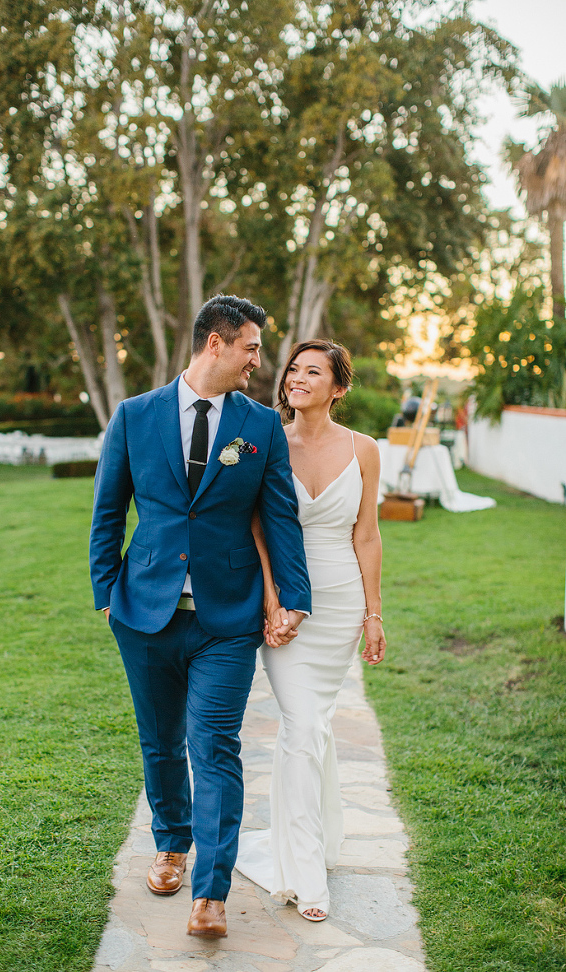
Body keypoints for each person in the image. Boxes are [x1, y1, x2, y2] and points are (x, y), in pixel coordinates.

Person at [89, 295, 313, 939]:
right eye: (250, 347)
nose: (258, 361)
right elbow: (109, 511)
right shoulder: (135, 417)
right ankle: (170, 844)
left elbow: (278, 518)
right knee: (160, 741)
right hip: (144, 612)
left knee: (214, 747)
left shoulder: (261, 426)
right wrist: (107, 593)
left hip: (226, 618)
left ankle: (211, 892)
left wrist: (291, 597)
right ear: (215, 343)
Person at [234, 340, 387, 922]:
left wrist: (373, 612)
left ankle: (317, 843)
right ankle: (303, 876)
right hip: (290, 604)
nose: (296, 378)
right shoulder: (269, 440)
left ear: (338, 387)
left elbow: (367, 535)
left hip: (343, 604)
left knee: (316, 724)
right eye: (293, 370)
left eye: (312, 371)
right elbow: (257, 528)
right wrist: (273, 600)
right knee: (300, 726)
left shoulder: (364, 450)